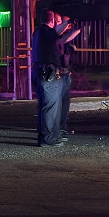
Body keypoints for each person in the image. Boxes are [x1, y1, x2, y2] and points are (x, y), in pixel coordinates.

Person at [31, 9, 74, 147]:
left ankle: (51, 136)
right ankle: (48, 139)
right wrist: (68, 22)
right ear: (53, 21)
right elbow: (58, 33)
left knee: (47, 106)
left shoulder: (38, 32)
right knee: (50, 107)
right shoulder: (46, 32)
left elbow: (62, 38)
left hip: (40, 72)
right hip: (48, 75)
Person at [54, 13, 80, 137]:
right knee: (57, 104)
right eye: (59, 21)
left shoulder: (60, 37)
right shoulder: (52, 35)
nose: (63, 24)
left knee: (64, 104)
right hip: (56, 74)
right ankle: (54, 129)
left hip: (64, 73)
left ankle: (62, 127)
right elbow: (67, 37)